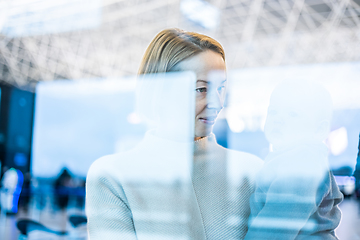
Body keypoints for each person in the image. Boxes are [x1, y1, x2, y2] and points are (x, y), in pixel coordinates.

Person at [86, 28, 263, 239]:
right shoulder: (113, 176)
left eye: (220, 88)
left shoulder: (251, 172)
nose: (218, 103)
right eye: (201, 89)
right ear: (162, 92)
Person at [244, 80, 343, 240]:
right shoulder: (289, 157)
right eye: (273, 111)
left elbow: (276, 225)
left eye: (293, 114)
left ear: (319, 130)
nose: (278, 119)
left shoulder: (303, 161)